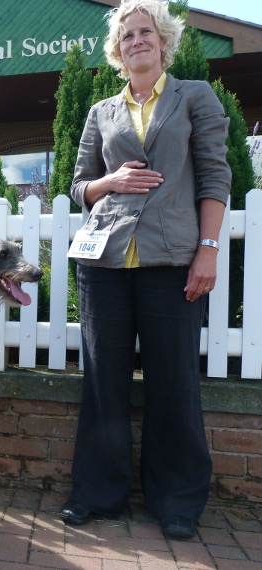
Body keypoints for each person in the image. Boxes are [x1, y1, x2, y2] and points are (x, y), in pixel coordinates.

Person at [59, 0, 231, 540]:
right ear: (117, 50)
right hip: (104, 264)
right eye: (127, 34)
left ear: (163, 42)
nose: (136, 40)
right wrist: (109, 184)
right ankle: (96, 493)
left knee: (174, 382)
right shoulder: (101, 112)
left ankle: (177, 500)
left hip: (171, 261)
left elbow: (215, 177)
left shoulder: (194, 97)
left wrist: (208, 249)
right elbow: (77, 186)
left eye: (146, 32)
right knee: (103, 384)